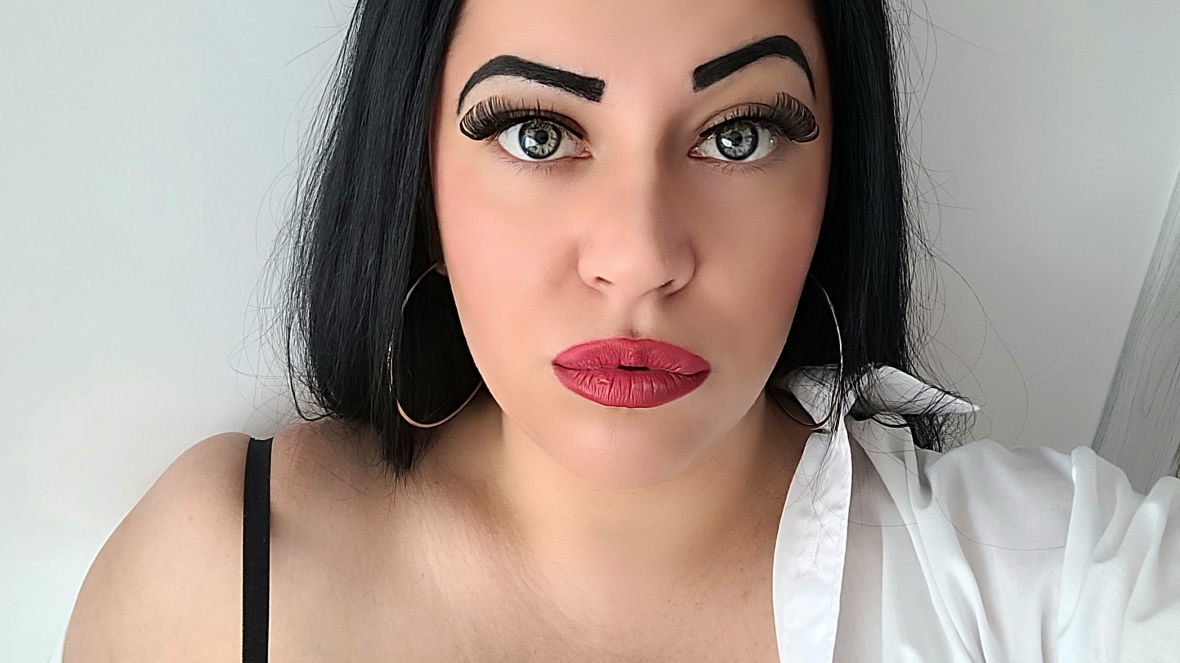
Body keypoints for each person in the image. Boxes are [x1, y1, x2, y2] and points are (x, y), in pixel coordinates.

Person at [58, 0, 1179, 661]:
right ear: (417, 174)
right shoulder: (217, 581)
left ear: (834, 183)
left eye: (737, 135)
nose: (639, 256)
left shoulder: (1049, 578)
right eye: (539, 134)